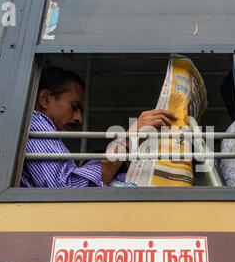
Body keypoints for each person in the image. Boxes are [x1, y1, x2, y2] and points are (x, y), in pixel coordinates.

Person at [21, 66, 177, 187]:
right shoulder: (35, 121)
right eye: (74, 107)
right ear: (45, 99)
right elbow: (69, 190)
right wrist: (130, 137)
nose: (79, 118)